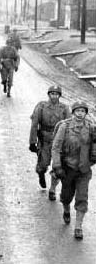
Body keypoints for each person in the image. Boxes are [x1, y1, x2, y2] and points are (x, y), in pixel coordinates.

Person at [52, 101, 96, 240]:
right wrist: (57, 166)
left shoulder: (91, 128)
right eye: (77, 111)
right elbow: (56, 147)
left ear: (85, 114)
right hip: (67, 168)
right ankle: (66, 210)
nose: (80, 114)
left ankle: (78, 227)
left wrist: (93, 159)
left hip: (83, 170)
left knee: (82, 198)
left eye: (83, 111)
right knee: (66, 196)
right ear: (73, 112)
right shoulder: (64, 127)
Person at [29, 86, 71, 199]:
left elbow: (69, 125)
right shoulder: (41, 106)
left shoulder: (64, 108)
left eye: (56, 94)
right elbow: (34, 124)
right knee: (43, 164)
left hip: (59, 141)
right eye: (52, 94)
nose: (54, 96)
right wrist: (32, 141)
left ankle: (52, 189)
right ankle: (41, 173)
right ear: (48, 95)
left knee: (58, 166)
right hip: (45, 140)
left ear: (59, 96)